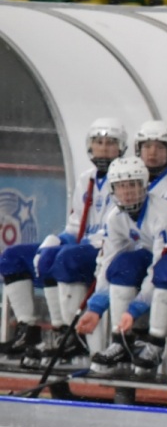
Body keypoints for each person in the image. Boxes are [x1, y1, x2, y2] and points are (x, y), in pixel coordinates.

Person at [74, 154, 167, 380]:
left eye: (133, 185)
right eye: (121, 186)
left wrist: (133, 311)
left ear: (144, 185)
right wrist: (95, 308)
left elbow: (157, 269)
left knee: (166, 269)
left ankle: (155, 343)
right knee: (121, 265)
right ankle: (121, 341)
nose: (128, 192)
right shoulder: (115, 217)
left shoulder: (164, 216)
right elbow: (105, 265)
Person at [1, 117, 123, 368]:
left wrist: (66, 247)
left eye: (110, 143)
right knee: (14, 256)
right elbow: (75, 227)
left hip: (105, 250)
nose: (103, 148)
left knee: (65, 257)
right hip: (80, 245)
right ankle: (29, 329)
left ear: (121, 146)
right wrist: (55, 240)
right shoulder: (85, 179)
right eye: (98, 142)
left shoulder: (126, 178)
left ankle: (71, 334)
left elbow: (118, 230)